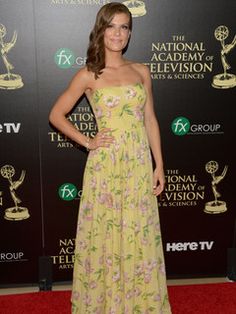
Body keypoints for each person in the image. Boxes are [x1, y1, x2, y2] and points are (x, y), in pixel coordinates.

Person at [49, 2, 171, 313]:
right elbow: (56, 115)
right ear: (101, 30)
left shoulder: (142, 70)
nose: (118, 33)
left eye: (124, 27)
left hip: (138, 164)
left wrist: (159, 164)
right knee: (104, 233)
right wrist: (88, 141)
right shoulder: (89, 74)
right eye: (112, 26)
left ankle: (139, 303)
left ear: (130, 32)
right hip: (106, 165)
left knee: (138, 231)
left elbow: (150, 120)